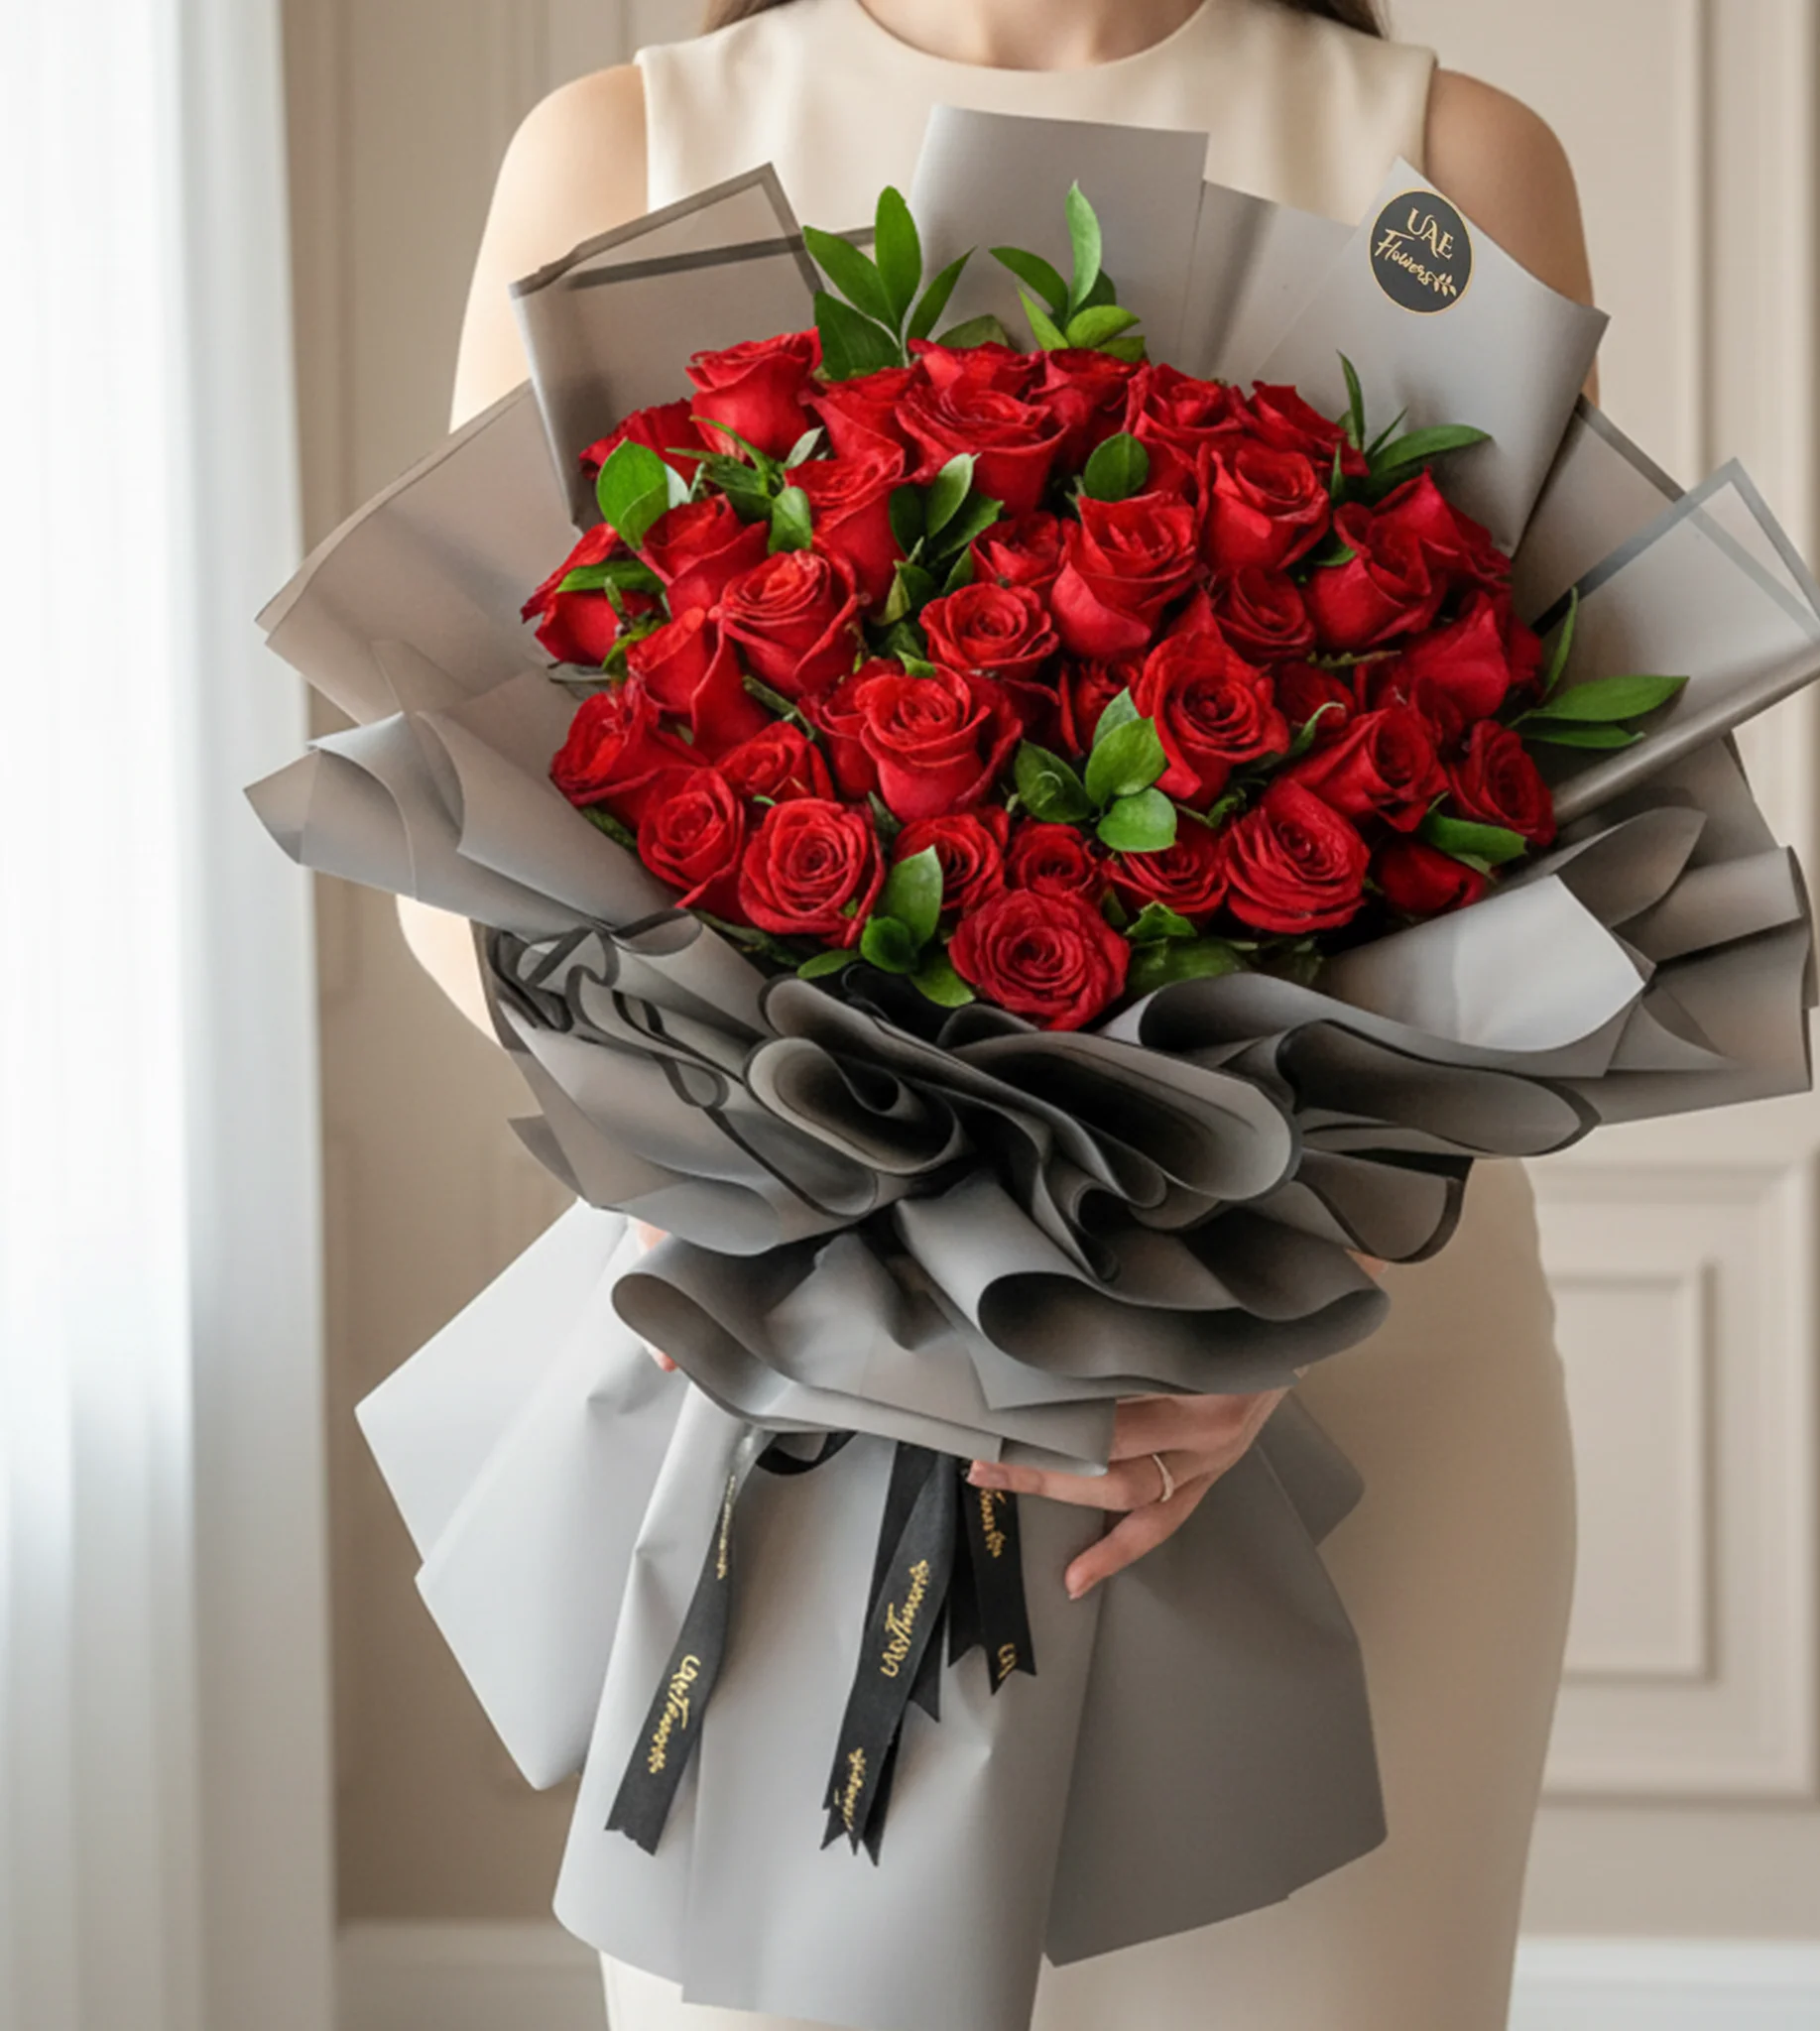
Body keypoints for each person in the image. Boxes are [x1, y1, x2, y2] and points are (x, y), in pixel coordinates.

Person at [400, 2, 1591, 2023]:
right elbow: (462, 806)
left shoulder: (1452, 156)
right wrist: (784, 1199)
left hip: (1346, 1354)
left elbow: (1536, 808)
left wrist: (1266, 1290)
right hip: (793, 1350)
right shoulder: (617, 148)